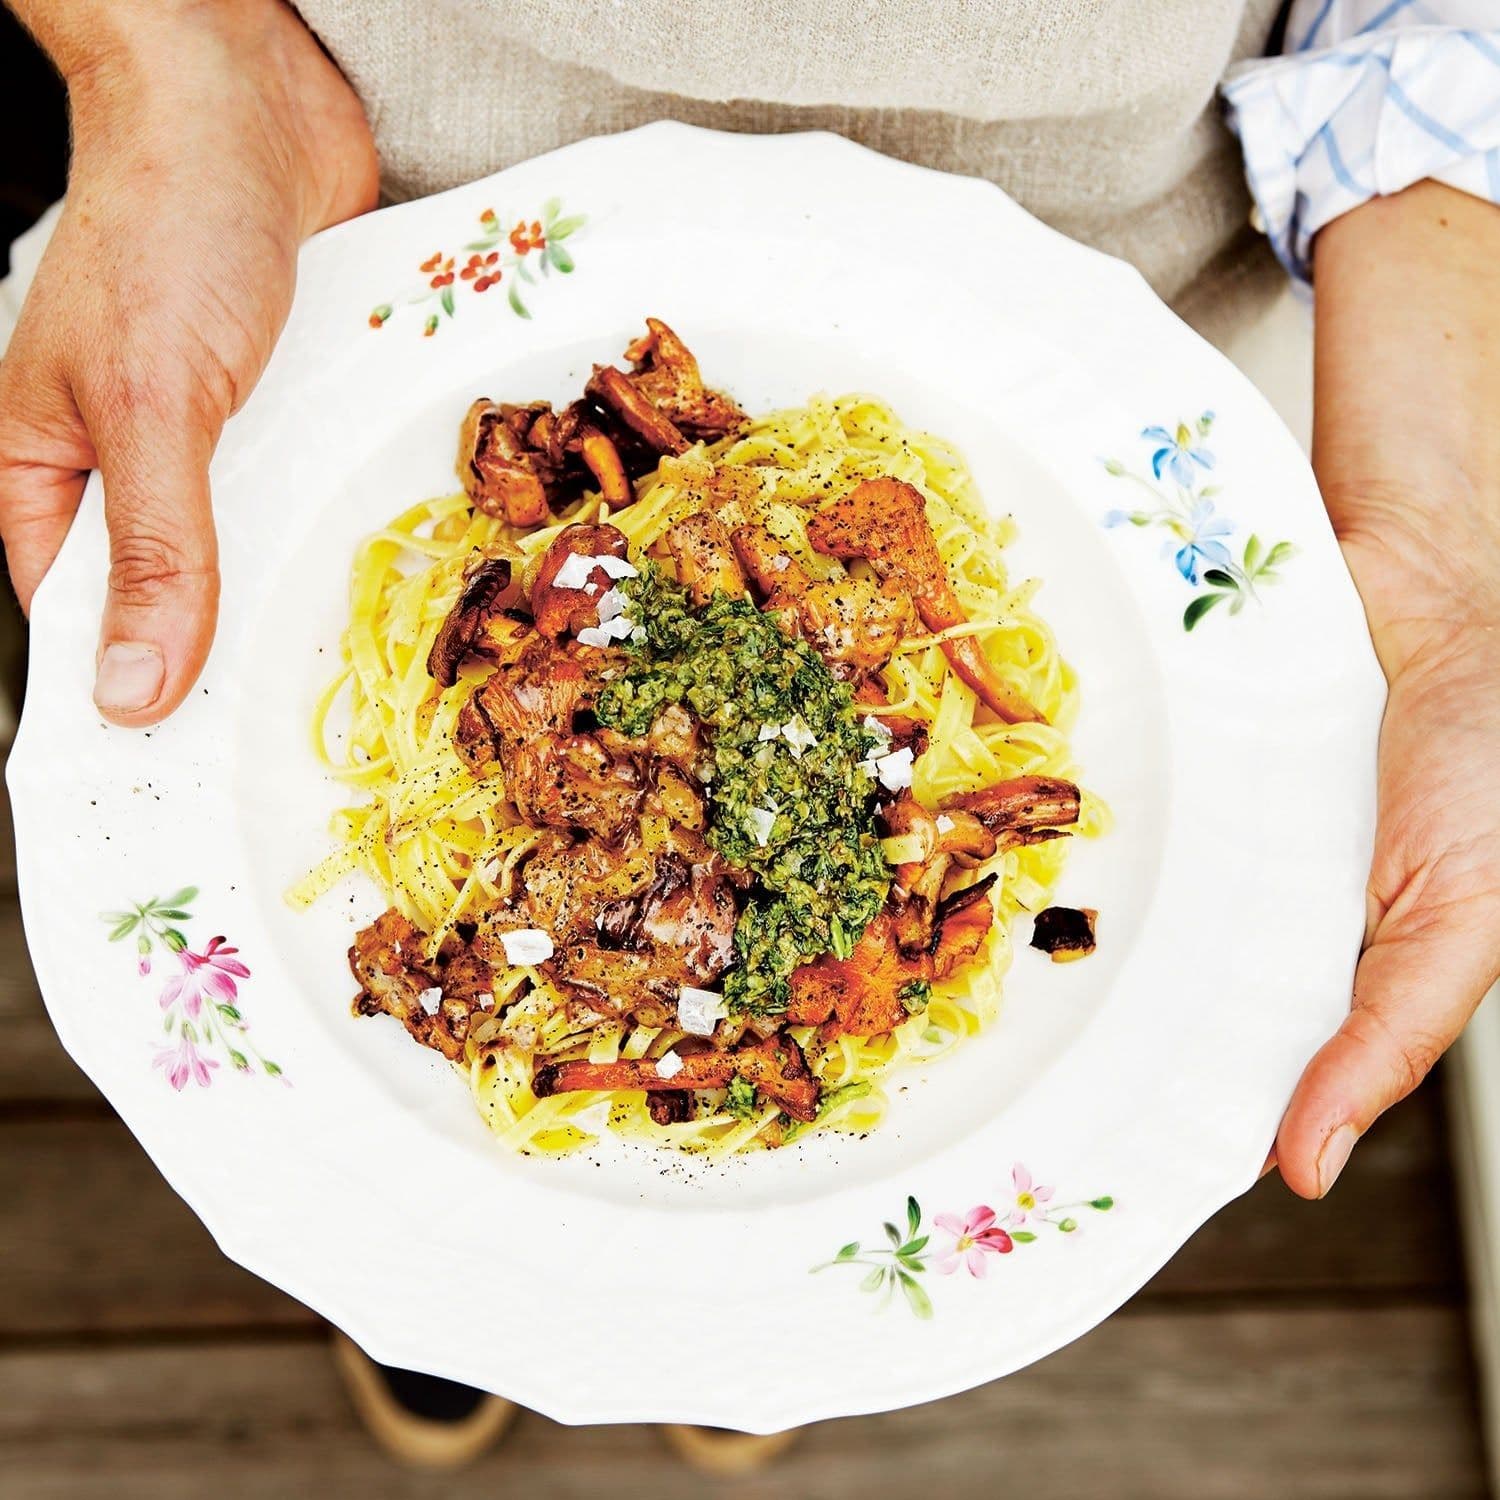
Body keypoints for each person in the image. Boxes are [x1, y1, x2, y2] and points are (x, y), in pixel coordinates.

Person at [1, 0, 1496, 1473]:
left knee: (780, 1288)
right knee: (415, 1210)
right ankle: (462, 1301)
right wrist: (167, 50)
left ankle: (745, 1320)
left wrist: (1441, 560)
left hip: (1135, 310)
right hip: (319, 220)